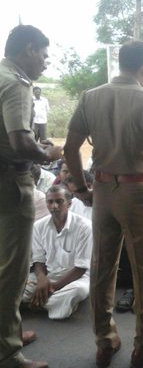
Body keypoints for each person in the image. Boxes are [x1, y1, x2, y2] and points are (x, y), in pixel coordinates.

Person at [64, 41, 143, 367]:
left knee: (102, 266)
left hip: (102, 190)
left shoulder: (90, 96)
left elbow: (70, 148)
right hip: (138, 192)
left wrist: (82, 189)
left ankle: (105, 341)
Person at [0, 24, 63, 368]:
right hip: (9, 185)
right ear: (27, 49)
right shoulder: (16, 83)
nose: (45, 61)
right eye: (43, 53)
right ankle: (8, 353)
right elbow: (21, 141)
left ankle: (6, 331)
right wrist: (47, 155)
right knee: (11, 271)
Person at [22, 186, 92, 320]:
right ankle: (54, 305)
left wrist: (50, 288)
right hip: (48, 275)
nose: (54, 206)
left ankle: (35, 303)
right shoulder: (38, 226)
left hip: (76, 278)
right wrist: (42, 279)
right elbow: (38, 260)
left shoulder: (84, 227)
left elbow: (81, 269)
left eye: (59, 201)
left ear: (69, 203)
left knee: (79, 290)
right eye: (50, 202)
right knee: (13, 289)